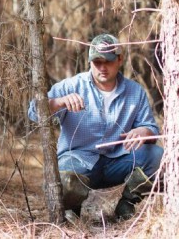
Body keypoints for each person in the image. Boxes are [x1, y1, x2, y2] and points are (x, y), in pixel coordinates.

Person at [28, 33, 164, 220]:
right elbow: (34, 112)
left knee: (158, 157)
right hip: (79, 160)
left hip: (119, 159)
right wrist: (58, 102)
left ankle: (127, 204)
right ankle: (71, 209)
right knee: (64, 177)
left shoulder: (135, 91)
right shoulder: (72, 86)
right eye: (96, 62)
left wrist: (144, 131)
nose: (102, 67)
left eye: (107, 61)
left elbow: (151, 129)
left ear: (119, 59)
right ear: (89, 61)